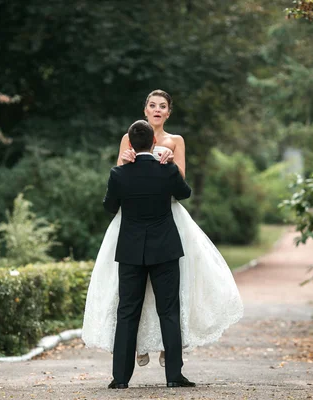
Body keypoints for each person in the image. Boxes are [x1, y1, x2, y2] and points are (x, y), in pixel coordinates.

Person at [82, 90, 243, 373]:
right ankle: (141, 344)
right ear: (145, 110)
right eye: (152, 105)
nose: (157, 109)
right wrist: (127, 162)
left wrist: (168, 162)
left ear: (168, 113)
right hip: (132, 219)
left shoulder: (176, 141)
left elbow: (180, 183)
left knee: (172, 291)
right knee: (133, 293)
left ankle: (169, 352)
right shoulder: (130, 136)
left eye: (163, 106)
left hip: (167, 218)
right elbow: (121, 178)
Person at [103, 119, 194, 388]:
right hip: (165, 248)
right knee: (169, 311)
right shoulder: (166, 171)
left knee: (127, 312)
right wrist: (170, 164)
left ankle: (120, 379)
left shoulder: (118, 174)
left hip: (130, 250)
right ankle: (174, 377)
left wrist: (122, 166)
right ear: (154, 143)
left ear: (129, 145)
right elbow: (185, 193)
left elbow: (109, 207)